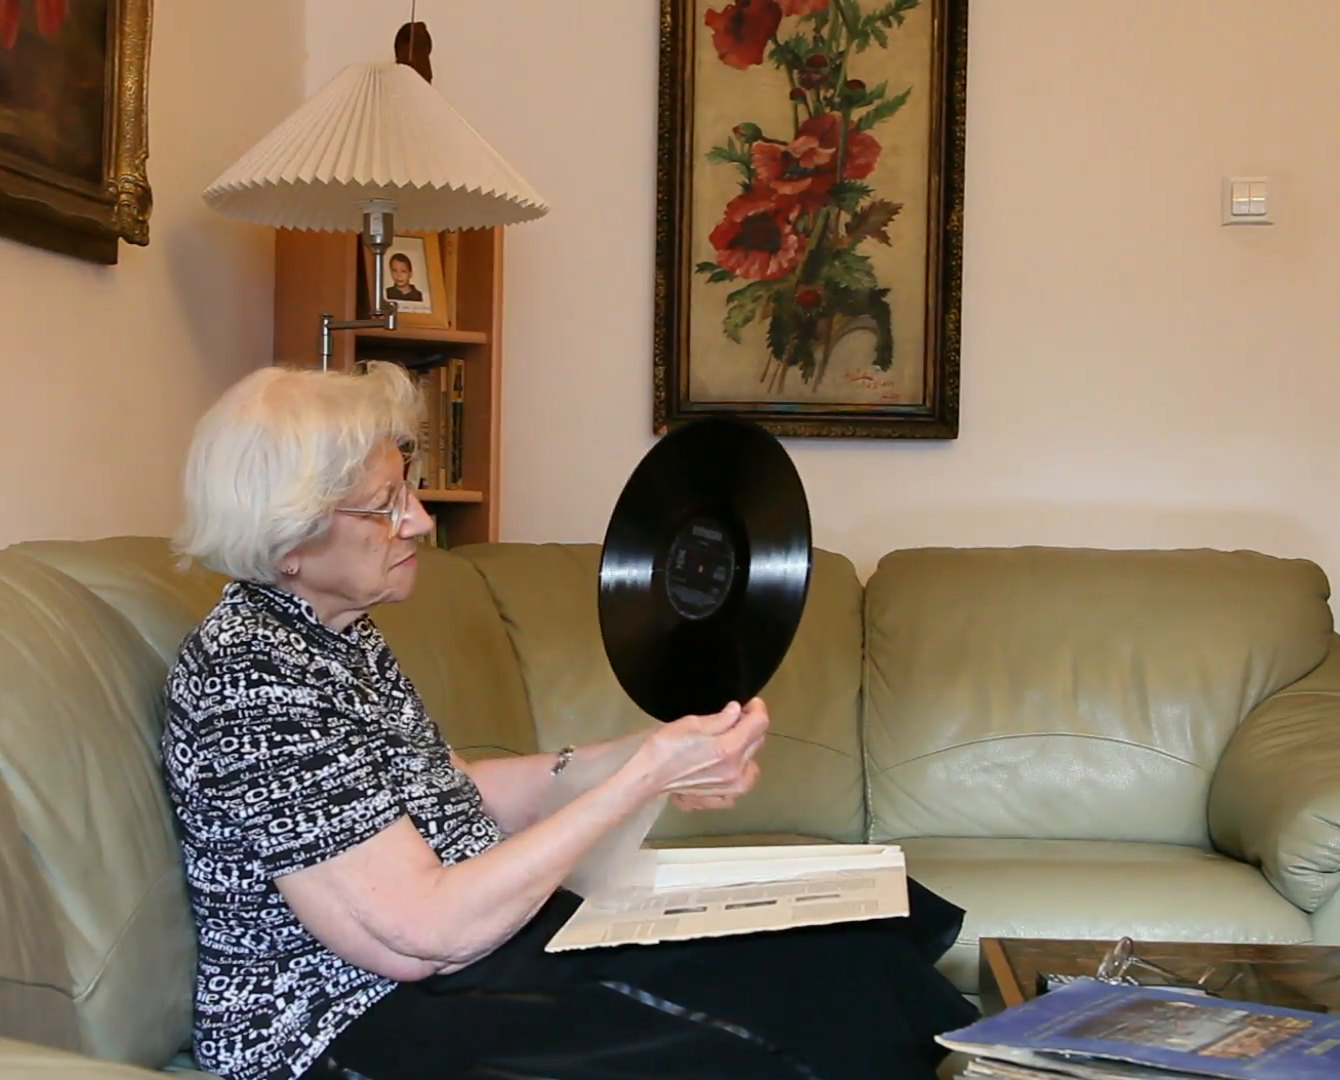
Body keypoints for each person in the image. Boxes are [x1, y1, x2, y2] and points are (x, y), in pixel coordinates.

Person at [163, 362, 977, 1080]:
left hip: (474, 959)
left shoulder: (336, 634)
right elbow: (422, 929)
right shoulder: (255, 680)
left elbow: (457, 794)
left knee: (856, 932)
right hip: (353, 1026)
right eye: (383, 507)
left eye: (405, 489)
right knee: (802, 1005)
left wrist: (661, 754)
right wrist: (638, 781)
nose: (416, 520)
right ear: (287, 543)